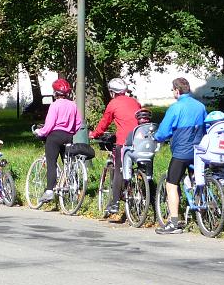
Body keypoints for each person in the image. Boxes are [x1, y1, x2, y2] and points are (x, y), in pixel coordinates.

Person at [154, 77, 206, 235]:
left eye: (172, 90)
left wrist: (157, 137)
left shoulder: (175, 108)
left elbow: (163, 132)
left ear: (177, 90)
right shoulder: (201, 106)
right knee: (198, 179)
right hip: (198, 151)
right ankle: (203, 214)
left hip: (181, 152)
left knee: (171, 184)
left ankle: (174, 222)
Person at [89, 77, 142, 217]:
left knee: (118, 170)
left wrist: (94, 134)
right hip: (139, 140)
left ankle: (115, 203)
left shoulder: (113, 104)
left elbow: (104, 122)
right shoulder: (135, 102)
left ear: (112, 92)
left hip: (124, 141)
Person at [33, 78, 82, 204]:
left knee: (51, 162)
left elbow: (49, 125)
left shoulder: (54, 105)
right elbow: (78, 123)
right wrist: (71, 131)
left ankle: (49, 191)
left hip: (55, 137)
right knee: (68, 163)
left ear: (55, 93)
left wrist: (40, 132)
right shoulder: (73, 105)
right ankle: (73, 187)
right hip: (68, 136)